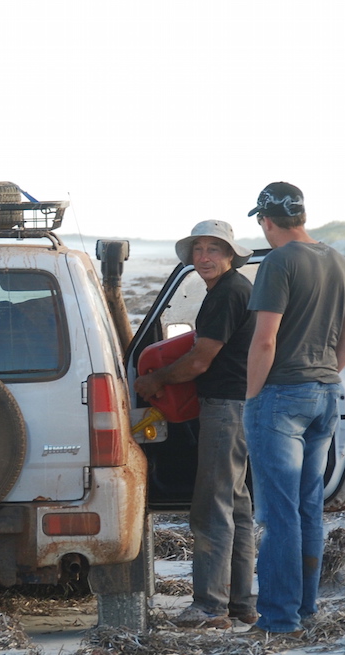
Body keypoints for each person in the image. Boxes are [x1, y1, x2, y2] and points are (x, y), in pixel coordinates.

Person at [244, 182, 345, 635]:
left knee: (279, 513)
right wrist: (323, 374)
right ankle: (305, 609)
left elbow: (265, 340)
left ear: (266, 220)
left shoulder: (279, 262)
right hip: (326, 394)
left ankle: (278, 617)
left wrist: (253, 398)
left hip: (280, 398)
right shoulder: (340, 261)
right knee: (309, 507)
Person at [134, 220, 256, 629]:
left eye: (213, 249)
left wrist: (157, 379)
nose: (204, 257)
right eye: (198, 249)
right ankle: (240, 604)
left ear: (230, 255)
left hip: (225, 408)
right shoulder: (230, 290)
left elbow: (200, 360)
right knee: (236, 506)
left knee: (211, 507)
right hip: (239, 406)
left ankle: (209, 607)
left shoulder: (227, 293)